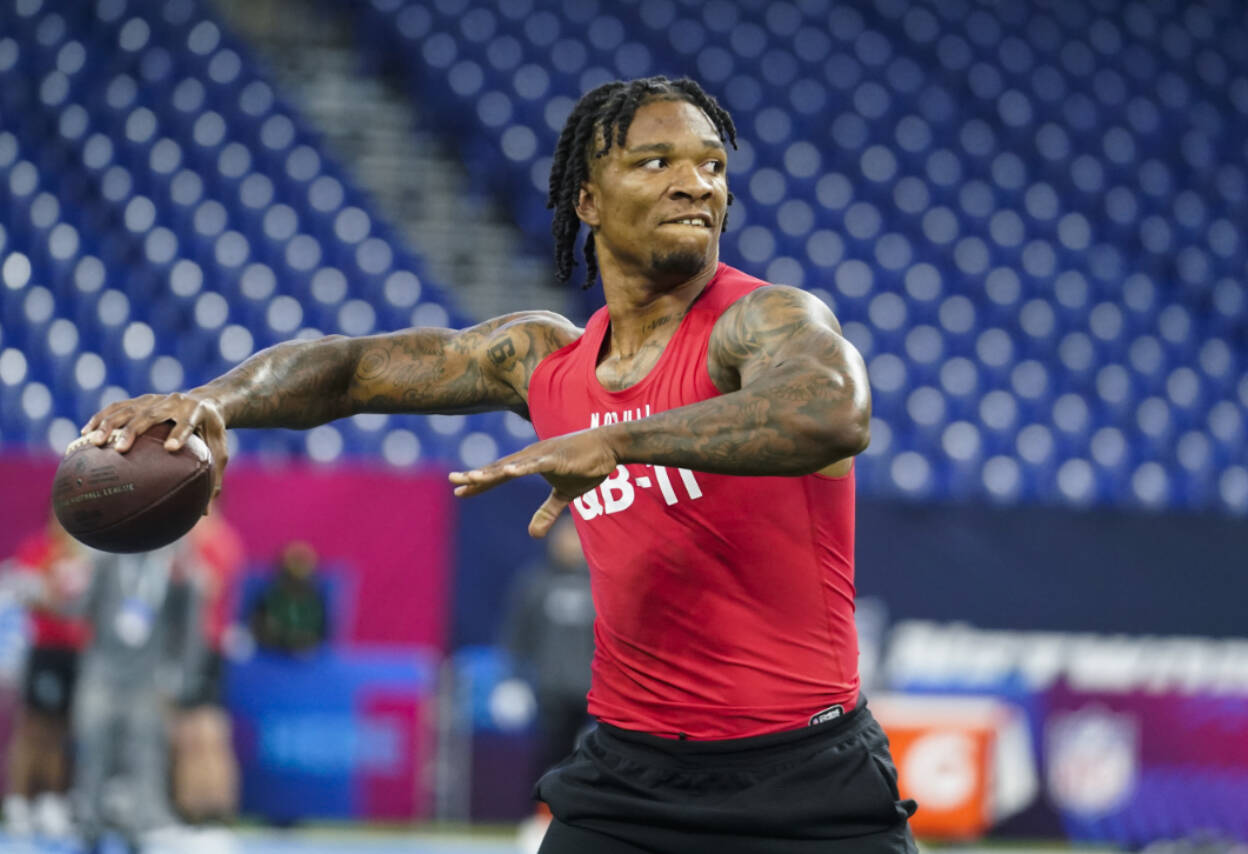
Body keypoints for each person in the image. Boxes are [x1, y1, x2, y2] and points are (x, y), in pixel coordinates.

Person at [81, 76, 917, 853]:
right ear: (587, 199)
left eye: (712, 165)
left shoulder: (762, 320)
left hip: (807, 778)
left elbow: (833, 411)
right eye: (655, 161)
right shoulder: (545, 362)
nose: (696, 182)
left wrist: (621, 441)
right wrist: (217, 400)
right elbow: (349, 369)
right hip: (630, 779)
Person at [70, 543, 201, 852]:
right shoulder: (104, 559)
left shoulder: (174, 562)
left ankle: (142, 824)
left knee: (144, 752)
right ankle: (89, 823)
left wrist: (181, 671)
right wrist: (57, 593)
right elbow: (80, 607)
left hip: (147, 675)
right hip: (102, 671)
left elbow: (189, 622)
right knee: (93, 746)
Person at [3, 513, 92, 840]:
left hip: (78, 652)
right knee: (34, 727)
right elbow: (26, 594)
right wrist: (58, 604)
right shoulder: (37, 549)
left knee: (63, 728)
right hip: (46, 650)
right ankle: (18, 800)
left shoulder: (88, 552)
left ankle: (52, 800)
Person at [501, 514, 595, 783]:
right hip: (551, 693)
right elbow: (517, 635)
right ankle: (542, 815)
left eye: (575, 536)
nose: (569, 543)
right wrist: (513, 680)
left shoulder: (601, 583)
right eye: (564, 535)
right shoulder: (535, 582)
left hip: (597, 693)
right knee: (551, 758)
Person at [169, 507, 245, 826]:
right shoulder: (208, 538)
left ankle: (203, 809)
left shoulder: (214, 540)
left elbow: (208, 587)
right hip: (197, 644)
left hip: (200, 645)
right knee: (201, 728)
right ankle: (207, 809)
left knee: (200, 730)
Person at [248, 540, 329, 655]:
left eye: (303, 564)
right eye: (294, 563)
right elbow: (258, 628)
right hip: (270, 652)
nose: (298, 571)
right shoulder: (270, 595)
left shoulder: (316, 599)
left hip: (304, 656)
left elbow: (320, 634)